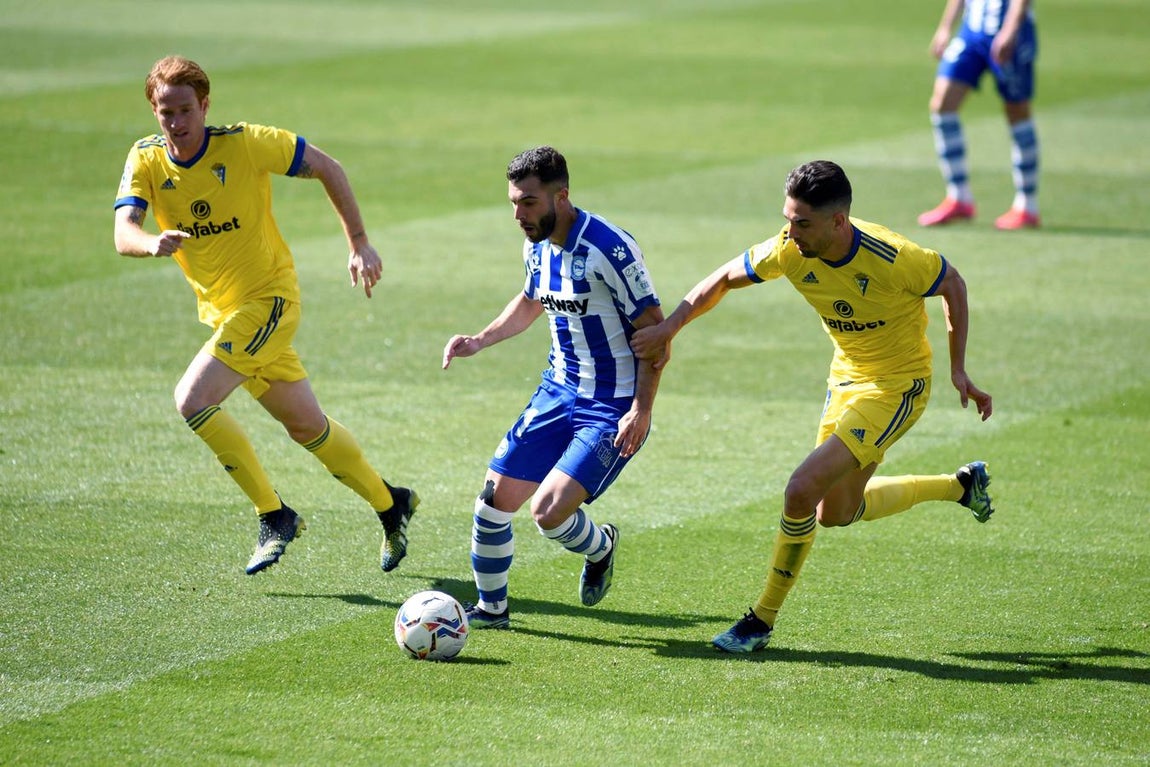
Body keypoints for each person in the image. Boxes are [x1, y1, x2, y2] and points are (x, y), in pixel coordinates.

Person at [631, 160, 995, 653]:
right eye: (788, 218)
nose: (790, 231)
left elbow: (954, 284)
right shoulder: (789, 250)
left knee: (800, 489)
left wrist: (958, 369)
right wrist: (670, 327)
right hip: (845, 379)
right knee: (833, 513)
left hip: (896, 387)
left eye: (802, 222)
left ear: (838, 222)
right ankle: (960, 487)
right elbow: (721, 279)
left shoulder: (894, 258)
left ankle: (759, 621)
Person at [113, 55, 418, 576]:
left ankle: (274, 515)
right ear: (153, 110)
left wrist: (360, 243)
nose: (176, 122)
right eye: (165, 112)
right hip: (226, 316)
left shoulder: (245, 143)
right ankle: (392, 504)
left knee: (192, 399)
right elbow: (124, 232)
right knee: (307, 427)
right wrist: (150, 244)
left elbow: (328, 167)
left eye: (185, 109)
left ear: (205, 106)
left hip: (271, 302)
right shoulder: (144, 160)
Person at [442, 146, 664, 629]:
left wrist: (641, 410)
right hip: (558, 391)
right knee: (493, 501)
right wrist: (480, 340)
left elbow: (655, 336)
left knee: (548, 513)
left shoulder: (610, 249)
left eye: (528, 203)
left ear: (561, 196)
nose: (519, 215)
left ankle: (601, 546)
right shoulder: (536, 244)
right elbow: (529, 300)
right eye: (513, 203)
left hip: (612, 406)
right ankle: (492, 610)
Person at [918, 0, 1040, 230]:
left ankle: (1027, 205)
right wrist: (945, 27)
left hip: (1010, 32)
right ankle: (959, 197)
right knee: (942, 103)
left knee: (1017, 112)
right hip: (972, 32)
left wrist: (1010, 29)